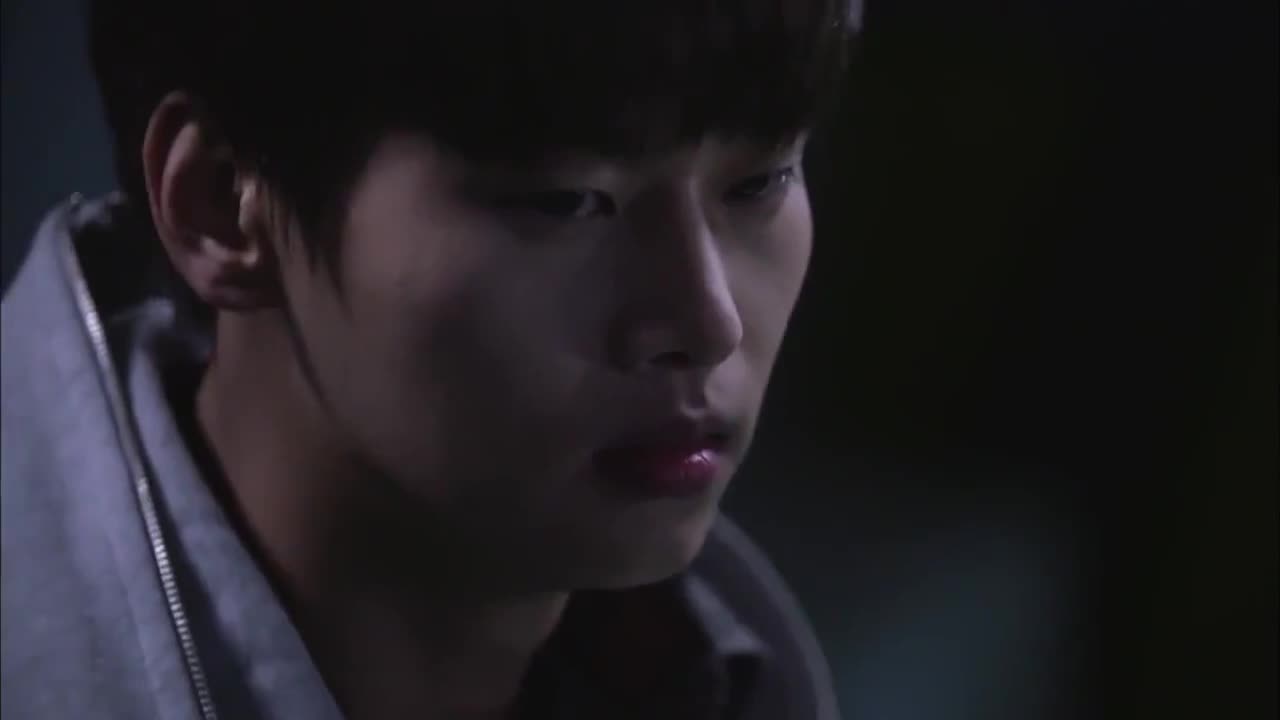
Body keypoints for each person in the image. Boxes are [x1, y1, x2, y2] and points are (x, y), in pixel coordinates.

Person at [1, 1, 858, 718]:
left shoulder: (725, 680)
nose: (707, 322)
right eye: (565, 202)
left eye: (760, 182)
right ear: (223, 204)